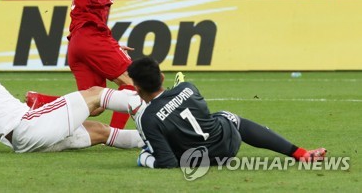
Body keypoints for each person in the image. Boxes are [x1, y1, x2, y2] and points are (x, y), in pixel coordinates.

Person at [0, 26, 144, 156]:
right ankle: (152, 103)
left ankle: (160, 138)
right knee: (95, 93)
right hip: (29, 126)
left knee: (100, 131)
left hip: (27, 141)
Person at [127, 57, 327, 168]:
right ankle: (300, 153)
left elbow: (167, 163)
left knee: (150, 150)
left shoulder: (148, 118)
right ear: (162, 77)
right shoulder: (188, 87)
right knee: (226, 116)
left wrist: (144, 158)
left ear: (136, 88)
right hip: (228, 145)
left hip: (198, 160)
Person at [63, 0, 136, 129]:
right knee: (133, 81)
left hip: (80, 42)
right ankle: (115, 134)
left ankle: (39, 103)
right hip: (90, 37)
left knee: (94, 105)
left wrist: (112, 43)